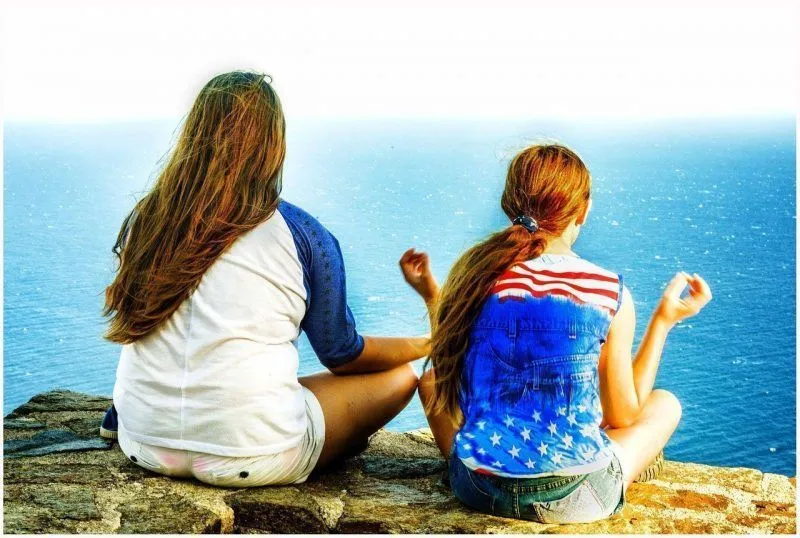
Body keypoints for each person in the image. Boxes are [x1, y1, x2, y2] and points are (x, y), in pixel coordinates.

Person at [100, 71, 429, 487]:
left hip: (144, 445)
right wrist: (425, 344)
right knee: (399, 378)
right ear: (274, 145)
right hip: (254, 458)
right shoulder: (303, 234)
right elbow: (342, 354)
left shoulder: (149, 219)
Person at [400, 144, 712, 523]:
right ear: (582, 211)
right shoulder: (608, 291)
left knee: (432, 380)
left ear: (507, 206)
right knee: (664, 404)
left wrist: (432, 293)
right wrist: (663, 321)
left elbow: (453, 364)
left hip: (477, 490)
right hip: (576, 497)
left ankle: (475, 463)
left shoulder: (475, 274)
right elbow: (624, 416)